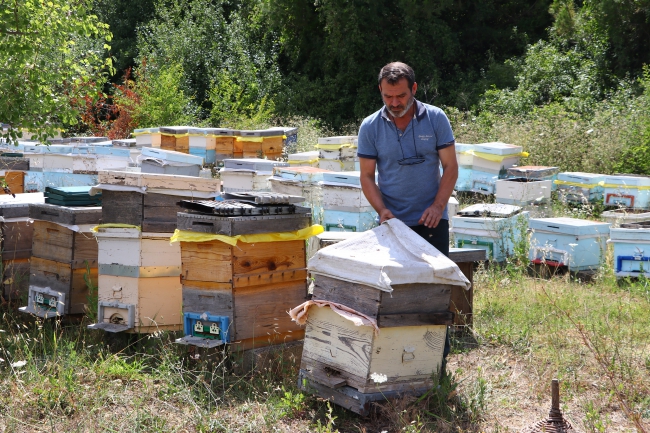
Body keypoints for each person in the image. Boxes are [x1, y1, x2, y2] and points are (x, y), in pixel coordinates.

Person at [357, 61, 458, 256]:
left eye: (401, 96)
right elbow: (367, 175)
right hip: (392, 223)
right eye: (388, 96)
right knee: (397, 284)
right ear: (380, 90)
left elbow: (450, 166)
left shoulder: (436, 118)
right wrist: (382, 211)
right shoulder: (370, 126)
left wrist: (438, 206)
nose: (394, 103)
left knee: (436, 283)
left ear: (414, 88)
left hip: (432, 221)